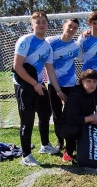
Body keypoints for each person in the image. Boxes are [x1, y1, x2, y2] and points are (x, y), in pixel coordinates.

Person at [13, 11, 67, 167]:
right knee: (27, 121)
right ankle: (26, 155)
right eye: (38, 22)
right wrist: (34, 84)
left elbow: (50, 71)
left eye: (44, 22)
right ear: (32, 24)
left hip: (38, 84)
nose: (41, 24)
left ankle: (44, 145)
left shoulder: (47, 46)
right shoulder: (25, 41)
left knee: (45, 114)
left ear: (47, 24)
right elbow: (17, 67)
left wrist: (58, 91)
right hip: (24, 85)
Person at [46, 18, 81, 160]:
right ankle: (60, 141)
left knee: (70, 114)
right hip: (54, 85)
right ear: (63, 26)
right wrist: (57, 90)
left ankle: (71, 142)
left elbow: (84, 57)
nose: (72, 29)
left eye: (75, 28)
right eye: (70, 26)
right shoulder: (50, 42)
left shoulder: (76, 46)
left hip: (71, 85)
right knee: (57, 114)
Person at [60, 69, 97, 164]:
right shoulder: (74, 95)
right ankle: (69, 150)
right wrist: (93, 118)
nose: (92, 84)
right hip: (68, 124)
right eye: (88, 81)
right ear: (82, 81)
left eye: (94, 82)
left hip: (87, 120)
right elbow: (72, 120)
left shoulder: (96, 93)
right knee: (73, 130)